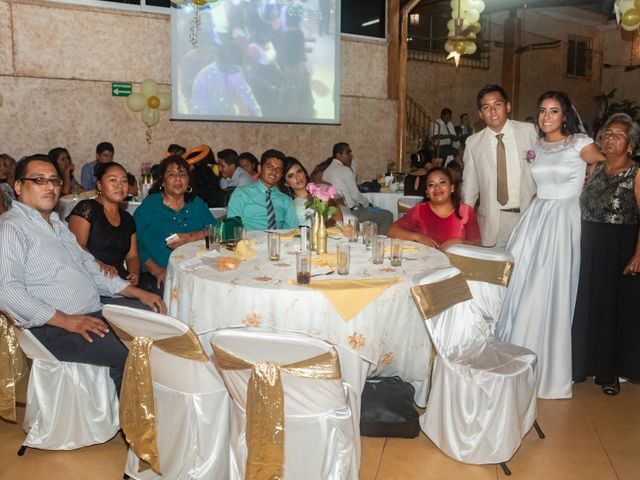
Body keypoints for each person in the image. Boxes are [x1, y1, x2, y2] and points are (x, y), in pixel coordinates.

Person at [0, 155, 165, 395]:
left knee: (157, 315)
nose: (50, 186)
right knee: (134, 349)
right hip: (54, 327)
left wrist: (137, 292)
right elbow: (6, 292)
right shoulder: (12, 228)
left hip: (92, 308)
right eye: (39, 180)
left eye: (55, 181)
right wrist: (66, 320)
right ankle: (137, 427)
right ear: (18, 186)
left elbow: (89, 266)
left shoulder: (55, 224)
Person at [496, 91, 604, 400]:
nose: (546, 117)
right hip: (537, 217)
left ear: (565, 115)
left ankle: (548, 368)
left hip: (564, 218)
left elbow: (606, 166)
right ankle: (518, 355)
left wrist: (583, 189)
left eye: (554, 111)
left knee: (549, 286)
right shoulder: (535, 149)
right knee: (523, 284)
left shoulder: (580, 143)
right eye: (542, 111)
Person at [572, 113, 640, 395]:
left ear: (631, 144)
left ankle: (608, 372)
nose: (611, 137)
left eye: (619, 134)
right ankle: (582, 365)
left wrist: (639, 254)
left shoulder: (636, 172)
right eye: (607, 132)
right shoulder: (594, 168)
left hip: (620, 247)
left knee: (614, 311)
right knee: (587, 305)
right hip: (589, 245)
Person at [462, 84, 538, 247]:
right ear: (481, 114)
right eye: (486, 107)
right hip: (492, 221)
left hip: (528, 216)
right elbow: (469, 188)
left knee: (524, 271)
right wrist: (465, 223)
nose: (493, 111)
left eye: (498, 104)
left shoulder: (529, 132)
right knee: (493, 270)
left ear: (508, 106)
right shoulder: (473, 143)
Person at [134, 155, 216, 293]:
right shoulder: (150, 205)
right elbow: (134, 242)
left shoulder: (196, 203)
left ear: (188, 180)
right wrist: (157, 271)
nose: (178, 178)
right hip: (161, 274)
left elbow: (216, 230)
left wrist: (191, 237)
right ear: (162, 181)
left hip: (197, 271)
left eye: (182, 174)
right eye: (171, 174)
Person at [67, 161, 140, 285]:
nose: (120, 186)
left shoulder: (127, 218)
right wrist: (101, 266)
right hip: (91, 280)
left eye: (124, 181)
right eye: (113, 180)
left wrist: (134, 274)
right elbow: (76, 248)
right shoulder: (87, 209)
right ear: (99, 185)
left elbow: (132, 256)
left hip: (120, 281)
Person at [388, 167, 480, 249]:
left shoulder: (466, 211)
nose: (437, 187)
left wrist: (460, 242)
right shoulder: (419, 211)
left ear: (452, 188)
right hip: (426, 264)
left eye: (442, 182)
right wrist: (418, 237)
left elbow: (477, 244)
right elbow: (391, 231)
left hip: (457, 265)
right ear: (427, 193)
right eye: (431, 184)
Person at [322, 142, 394, 234]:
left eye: (351, 153)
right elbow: (356, 196)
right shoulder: (344, 170)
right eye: (347, 153)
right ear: (338, 155)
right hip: (349, 212)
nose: (351, 155)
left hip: (334, 212)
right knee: (387, 215)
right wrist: (369, 205)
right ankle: (380, 241)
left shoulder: (327, 171)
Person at [227, 149, 298, 230]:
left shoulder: (286, 200)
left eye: (278, 169)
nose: (274, 172)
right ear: (260, 168)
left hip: (279, 241)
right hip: (249, 241)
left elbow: (293, 230)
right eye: (269, 167)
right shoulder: (241, 193)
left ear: (281, 174)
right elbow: (233, 227)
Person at [279, 156, 343, 227]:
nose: (297, 177)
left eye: (299, 171)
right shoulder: (288, 205)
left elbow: (338, 217)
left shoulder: (321, 191)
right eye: (291, 176)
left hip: (332, 234)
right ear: (286, 183)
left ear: (304, 173)